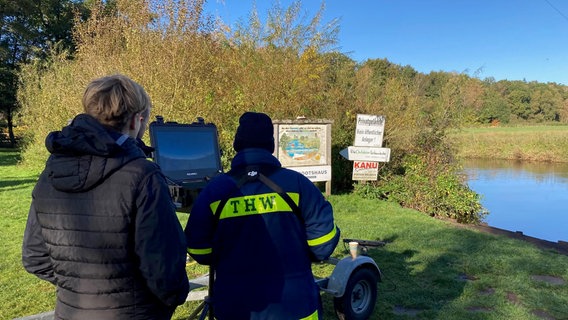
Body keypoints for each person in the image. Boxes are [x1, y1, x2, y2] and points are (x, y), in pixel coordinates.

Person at [22, 74, 189, 319]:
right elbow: (164, 271)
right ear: (136, 121)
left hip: (70, 311)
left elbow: (34, 257)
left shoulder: (50, 173)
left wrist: (81, 288)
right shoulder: (143, 175)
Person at [185, 111, 340, 320]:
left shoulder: (214, 191)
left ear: (236, 145)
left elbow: (198, 249)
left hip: (236, 307)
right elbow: (324, 243)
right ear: (272, 146)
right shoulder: (299, 185)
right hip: (295, 306)